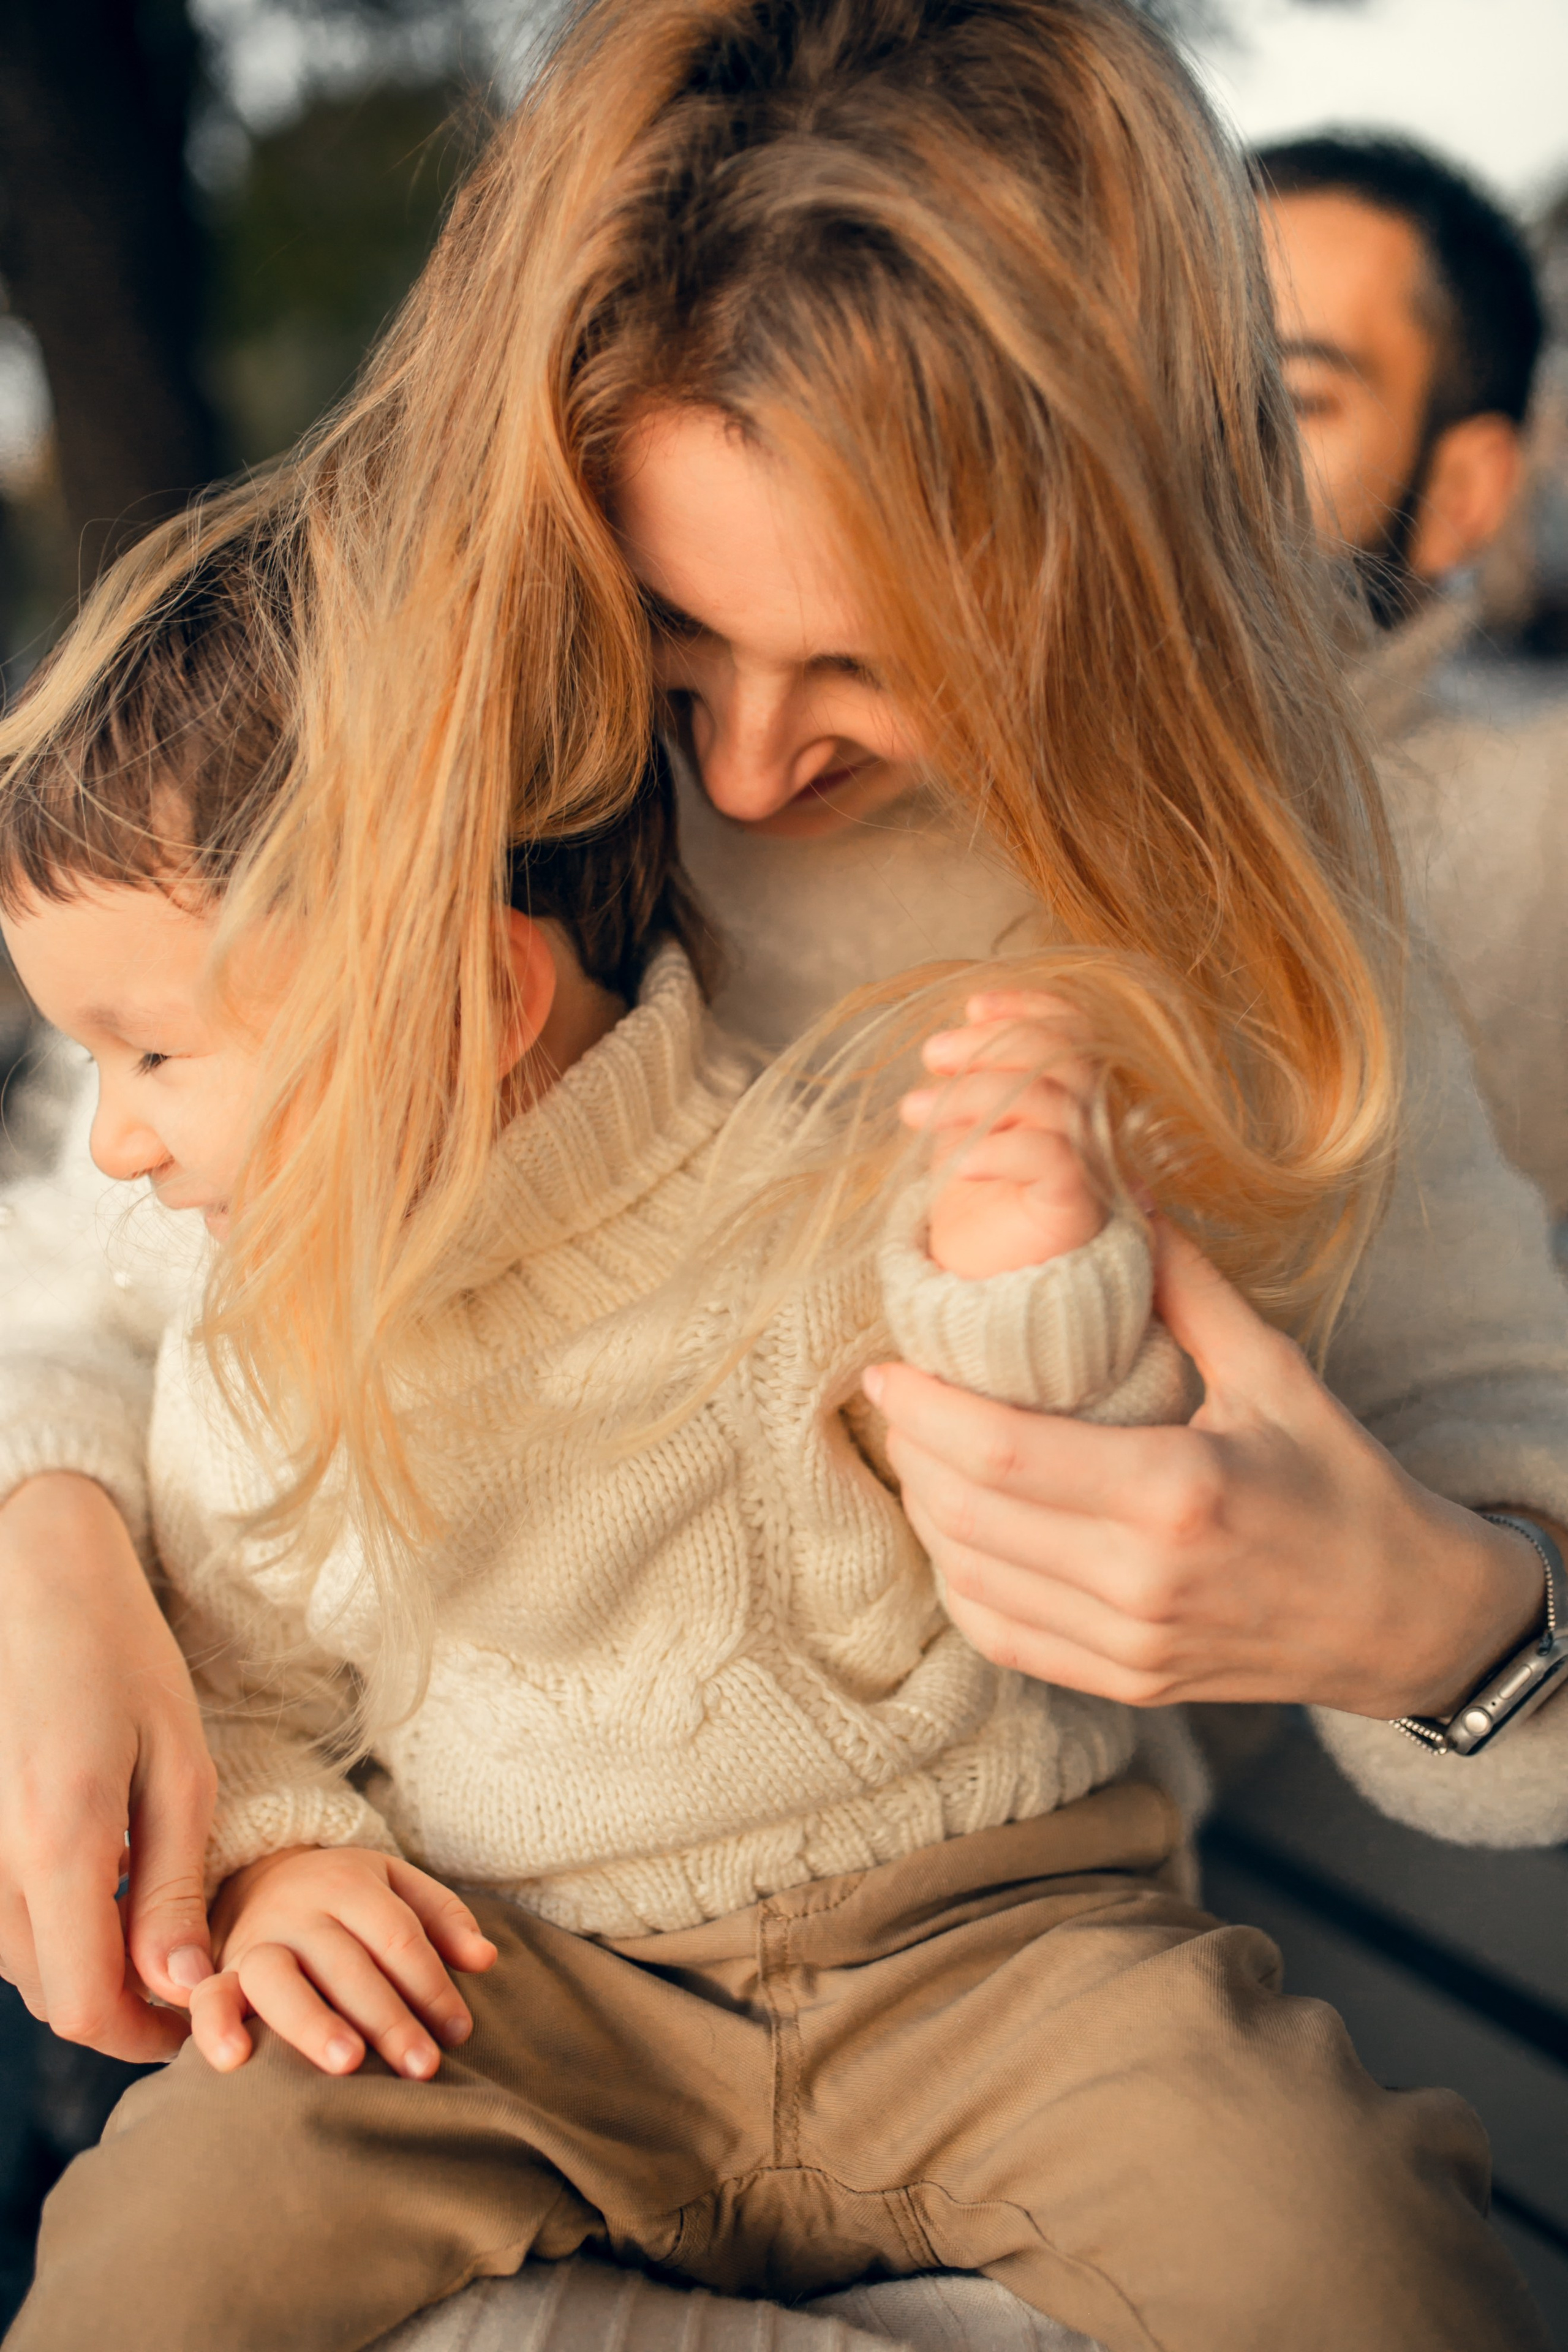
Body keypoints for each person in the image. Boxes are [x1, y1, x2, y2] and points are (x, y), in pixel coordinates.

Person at [0, 1, 1567, 2335]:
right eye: (676, 630)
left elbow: (1499, 1467)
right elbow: (123, 1232)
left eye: (880, 660)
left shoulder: (1253, 914)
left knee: (1363, 2264)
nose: (735, 770)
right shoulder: (432, 735)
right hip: (485, 1956)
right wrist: (55, 1547)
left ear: (1095, 574)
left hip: (1002, 1943)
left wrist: (1426, 1621)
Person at [1255, 131, 1568, 1216]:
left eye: (1290, 403)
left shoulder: (1543, 833)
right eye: (1155, 372)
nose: (1188, 444)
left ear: (1462, 496)